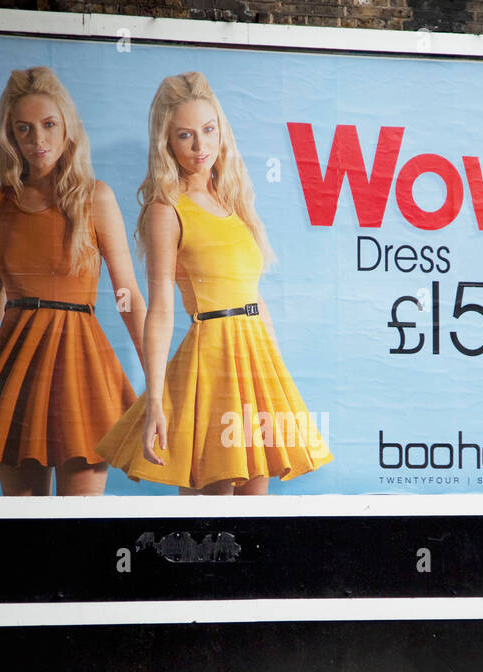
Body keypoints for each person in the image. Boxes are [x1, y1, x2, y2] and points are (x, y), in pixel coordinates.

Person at [0, 67, 145, 495]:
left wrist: (160, 390)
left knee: (80, 529)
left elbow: (128, 297)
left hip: (82, 368)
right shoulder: (2, 203)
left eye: (49, 125)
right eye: (25, 129)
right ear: (11, 137)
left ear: (66, 125)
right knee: (26, 531)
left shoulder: (96, 197)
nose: (39, 140)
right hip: (15, 371)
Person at [95, 71, 331, 494]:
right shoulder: (166, 210)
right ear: (167, 141)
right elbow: (162, 308)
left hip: (256, 362)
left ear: (222, 130)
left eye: (208, 130)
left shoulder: (235, 201)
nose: (200, 146)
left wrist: (278, 379)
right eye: (185, 135)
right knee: (209, 514)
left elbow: (253, 297)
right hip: (210, 364)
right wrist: (155, 402)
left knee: (254, 510)